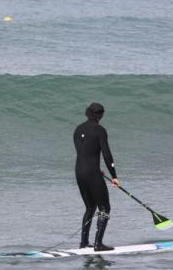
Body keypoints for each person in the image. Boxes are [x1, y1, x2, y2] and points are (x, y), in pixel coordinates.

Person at [73, 102, 119, 252]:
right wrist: (114, 176)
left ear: (87, 113)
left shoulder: (78, 129)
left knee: (90, 207)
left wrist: (95, 169)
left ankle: (84, 243)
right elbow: (106, 154)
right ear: (100, 115)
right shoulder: (99, 130)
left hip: (79, 171)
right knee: (105, 208)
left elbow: (85, 153)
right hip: (92, 172)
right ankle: (98, 244)